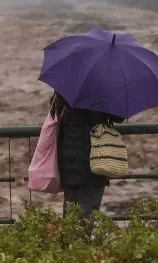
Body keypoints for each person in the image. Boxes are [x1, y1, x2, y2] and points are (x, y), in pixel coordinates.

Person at [50, 92, 123, 220]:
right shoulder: (99, 91)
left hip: (67, 164)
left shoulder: (65, 91)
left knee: (70, 220)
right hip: (93, 162)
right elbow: (119, 115)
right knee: (85, 222)